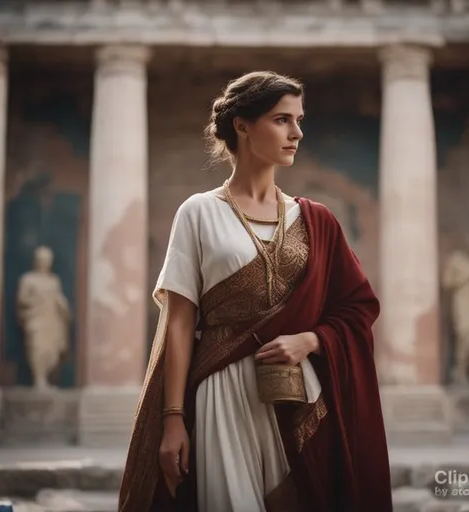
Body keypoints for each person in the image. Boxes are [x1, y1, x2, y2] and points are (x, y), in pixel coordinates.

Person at [119, 71, 392, 512]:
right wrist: (173, 421)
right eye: (282, 120)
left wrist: (312, 339)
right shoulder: (199, 212)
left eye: (299, 120)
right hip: (221, 392)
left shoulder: (315, 219)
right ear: (242, 125)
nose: (297, 133)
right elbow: (180, 321)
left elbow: (358, 307)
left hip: (301, 394)